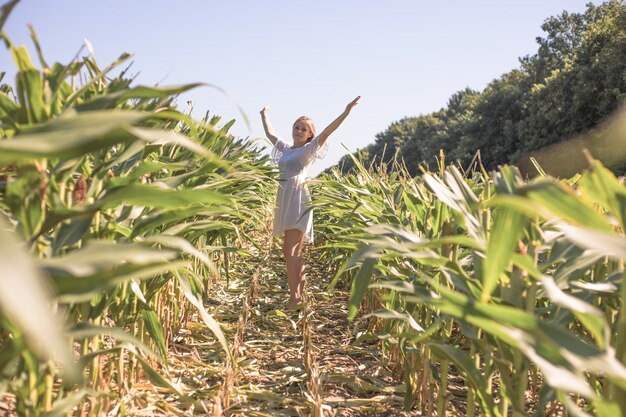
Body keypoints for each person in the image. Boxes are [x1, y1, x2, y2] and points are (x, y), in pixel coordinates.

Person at [260, 96, 361, 310]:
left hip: (297, 199)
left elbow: (326, 132)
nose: (298, 130)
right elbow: (270, 133)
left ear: (309, 135)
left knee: (291, 251)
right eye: (296, 126)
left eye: (303, 129)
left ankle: (295, 299)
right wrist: (264, 114)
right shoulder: (287, 149)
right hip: (286, 198)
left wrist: (346, 112)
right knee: (292, 251)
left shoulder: (307, 150)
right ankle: (299, 296)